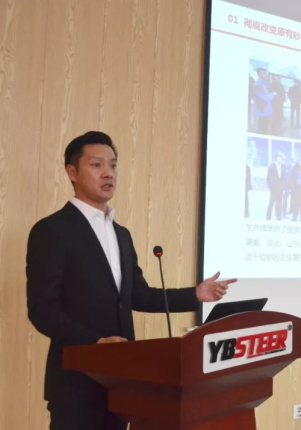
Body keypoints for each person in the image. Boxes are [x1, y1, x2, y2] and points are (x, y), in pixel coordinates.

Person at [26, 131, 238, 430]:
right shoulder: (52, 230)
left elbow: (139, 295)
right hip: (75, 384)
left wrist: (195, 294)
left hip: (122, 381)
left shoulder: (121, 234)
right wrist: (95, 343)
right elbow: (42, 310)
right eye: (97, 165)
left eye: (113, 165)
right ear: (72, 172)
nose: (108, 173)